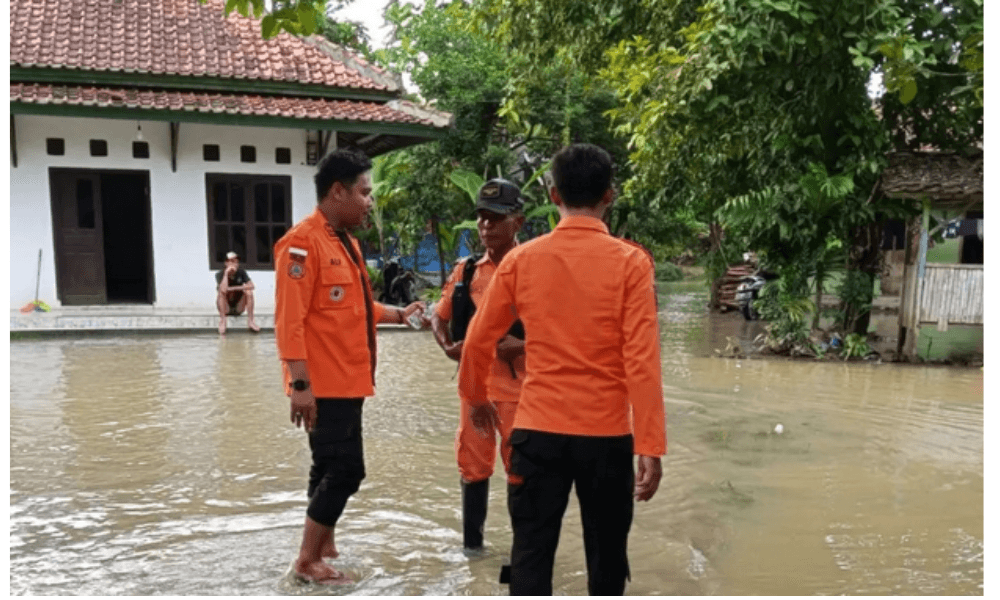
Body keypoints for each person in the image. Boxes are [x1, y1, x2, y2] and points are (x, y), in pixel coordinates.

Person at [458, 143, 667, 595]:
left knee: (530, 556)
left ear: (553, 195)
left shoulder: (521, 260)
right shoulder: (632, 263)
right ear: (609, 195)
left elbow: (476, 342)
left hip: (536, 433)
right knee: (608, 558)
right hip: (607, 439)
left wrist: (476, 400)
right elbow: (643, 361)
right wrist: (650, 444)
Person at [273, 148, 426, 584]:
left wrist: (400, 314)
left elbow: (355, 306)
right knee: (347, 470)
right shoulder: (302, 244)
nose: (370, 202)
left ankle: (323, 542)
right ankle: (306, 561)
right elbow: (290, 321)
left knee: (326, 465)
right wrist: (300, 384)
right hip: (323, 384)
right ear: (337, 191)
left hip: (348, 380)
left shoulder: (345, 243)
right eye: (364, 192)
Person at [430, 178, 526, 554]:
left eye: (496, 219)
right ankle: (473, 553)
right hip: (475, 391)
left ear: (517, 222)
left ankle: (524, 557)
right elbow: (439, 316)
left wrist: (523, 344)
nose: (486, 227)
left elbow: (567, 331)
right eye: (482, 219)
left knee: (521, 471)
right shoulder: (467, 271)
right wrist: (448, 346)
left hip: (521, 392)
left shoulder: (534, 267)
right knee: (472, 469)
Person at [215, 251, 260, 334]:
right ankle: (223, 321)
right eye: (231, 261)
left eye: (236, 261)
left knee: (249, 292)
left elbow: (252, 286)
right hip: (226, 308)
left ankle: (251, 321)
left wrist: (233, 288)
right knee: (221, 293)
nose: (234, 264)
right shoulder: (220, 274)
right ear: (226, 263)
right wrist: (226, 273)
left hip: (239, 307)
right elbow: (223, 289)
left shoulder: (241, 272)